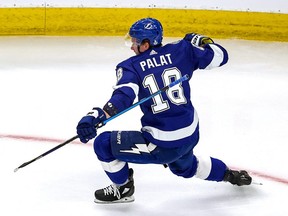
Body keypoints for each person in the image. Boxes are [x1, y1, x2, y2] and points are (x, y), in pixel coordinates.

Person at [76, 17, 252, 204]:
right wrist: (201, 40)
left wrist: (96, 116)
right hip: (190, 135)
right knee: (184, 166)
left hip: (162, 144)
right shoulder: (182, 50)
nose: (131, 46)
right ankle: (229, 175)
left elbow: (123, 97)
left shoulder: (130, 67)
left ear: (145, 44)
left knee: (103, 144)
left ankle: (123, 189)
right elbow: (221, 56)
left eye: (135, 42)